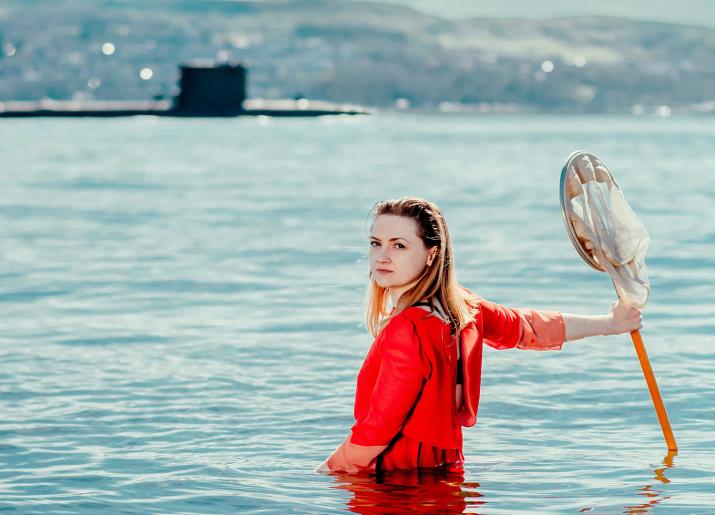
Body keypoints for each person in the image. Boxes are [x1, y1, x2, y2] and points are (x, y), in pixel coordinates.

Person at [317, 197, 642, 475]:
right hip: (446, 473)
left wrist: (323, 474)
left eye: (399, 245)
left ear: (432, 254)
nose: (382, 256)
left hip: (395, 487)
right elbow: (528, 327)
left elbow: (375, 433)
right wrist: (611, 322)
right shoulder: (463, 307)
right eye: (376, 243)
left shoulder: (407, 329)